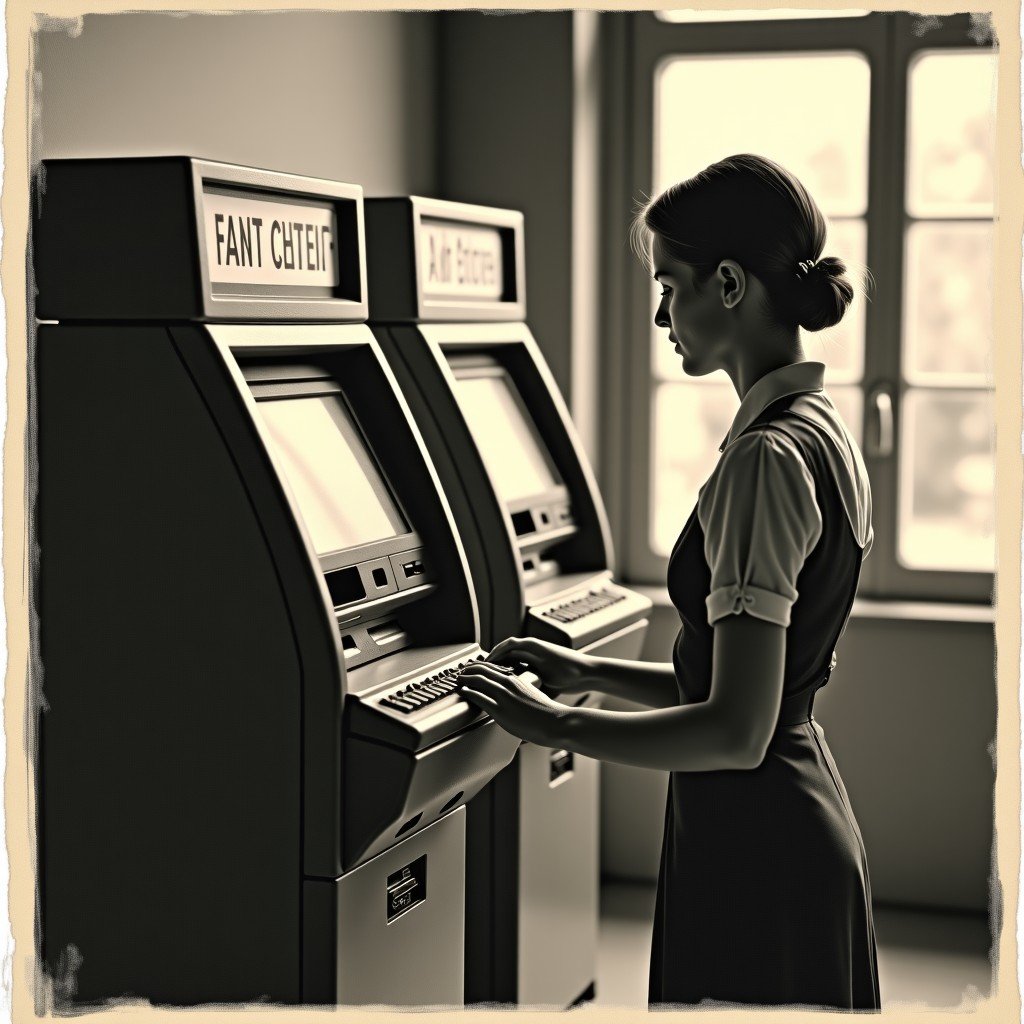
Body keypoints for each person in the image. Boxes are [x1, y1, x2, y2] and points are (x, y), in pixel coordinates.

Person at [456, 154, 881, 1010]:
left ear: (727, 284)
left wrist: (555, 723)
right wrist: (588, 674)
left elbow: (735, 731)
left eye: (669, 285)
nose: (660, 313)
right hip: (789, 815)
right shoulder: (818, 429)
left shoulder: (765, 459)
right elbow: (746, 691)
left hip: (758, 848)